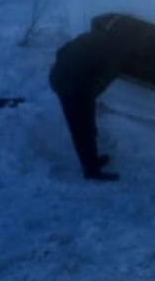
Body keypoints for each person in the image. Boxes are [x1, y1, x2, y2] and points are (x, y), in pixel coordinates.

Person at [49, 16, 140, 181]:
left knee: (81, 126)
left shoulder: (94, 36)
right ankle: (91, 171)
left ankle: (92, 160)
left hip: (59, 76)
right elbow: (105, 78)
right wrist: (89, 96)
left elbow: (62, 50)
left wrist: (66, 67)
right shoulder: (116, 51)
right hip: (73, 87)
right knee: (83, 128)